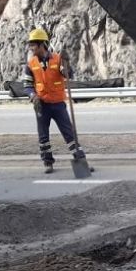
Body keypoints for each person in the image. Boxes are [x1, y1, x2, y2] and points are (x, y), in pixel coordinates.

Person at [22, 28, 84, 173]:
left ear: (42, 44)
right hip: (41, 105)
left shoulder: (57, 59)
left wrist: (67, 63)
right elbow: (27, 86)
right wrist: (33, 96)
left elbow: (68, 74)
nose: (31, 48)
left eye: (33, 45)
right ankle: (47, 162)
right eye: (30, 45)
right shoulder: (30, 64)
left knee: (69, 133)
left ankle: (80, 160)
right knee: (43, 136)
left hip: (58, 104)